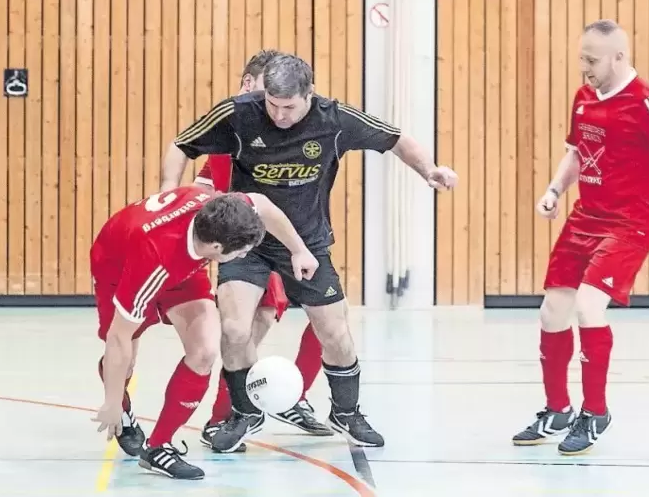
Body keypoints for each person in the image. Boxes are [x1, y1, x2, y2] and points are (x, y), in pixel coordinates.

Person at [161, 53, 458, 453]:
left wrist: (429, 170)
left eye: (289, 107)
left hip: (308, 244)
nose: (279, 116)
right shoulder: (239, 113)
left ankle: (346, 411)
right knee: (233, 329)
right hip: (246, 242)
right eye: (272, 105)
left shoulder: (334, 120)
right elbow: (182, 144)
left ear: (310, 95)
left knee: (334, 332)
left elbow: (396, 140)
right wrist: (167, 195)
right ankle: (245, 412)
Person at [512, 19, 649, 456]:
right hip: (584, 217)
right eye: (581, 57)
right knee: (551, 311)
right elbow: (577, 152)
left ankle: (595, 412)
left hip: (631, 222)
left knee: (587, 304)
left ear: (619, 57)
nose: (584, 67)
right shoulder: (584, 97)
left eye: (591, 60)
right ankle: (557, 409)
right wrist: (555, 189)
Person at [90, 186, 318, 479]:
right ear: (216, 249)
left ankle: (158, 447)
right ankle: (121, 409)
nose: (246, 255)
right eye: (243, 251)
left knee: (205, 351)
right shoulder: (155, 258)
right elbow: (118, 337)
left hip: (181, 262)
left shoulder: (220, 208)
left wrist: (299, 250)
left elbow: (262, 204)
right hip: (119, 266)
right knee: (127, 355)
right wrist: (111, 401)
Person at [193, 51, 333, 451]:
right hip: (242, 245)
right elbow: (205, 180)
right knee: (243, 330)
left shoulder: (281, 130)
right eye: (255, 90)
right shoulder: (232, 128)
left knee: (314, 321)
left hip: (284, 240)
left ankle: (285, 397)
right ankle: (230, 415)